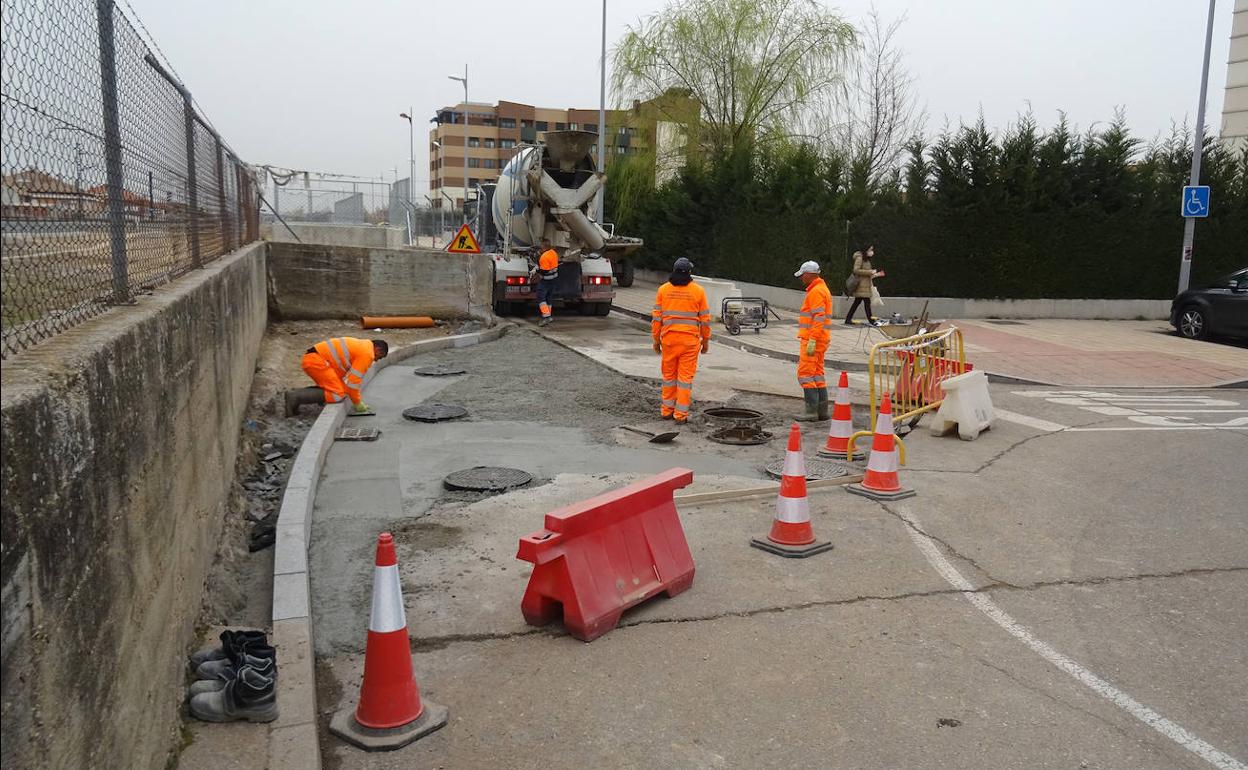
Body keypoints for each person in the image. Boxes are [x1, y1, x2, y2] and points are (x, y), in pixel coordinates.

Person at [651, 257, 711, 423]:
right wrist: (705, 341)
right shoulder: (698, 291)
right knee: (684, 380)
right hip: (689, 343)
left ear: (673, 271)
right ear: (690, 272)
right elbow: (705, 320)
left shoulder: (663, 290)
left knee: (669, 378)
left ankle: (666, 411)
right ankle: (680, 415)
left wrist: (656, 340)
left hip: (669, 341)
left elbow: (657, 319)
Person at [284, 337, 389, 416]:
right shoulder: (368, 354)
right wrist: (357, 403)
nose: (376, 360)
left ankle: (298, 396)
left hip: (316, 359)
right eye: (379, 357)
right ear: (378, 349)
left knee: (341, 389)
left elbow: (349, 381)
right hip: (317, 362)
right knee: (338, 394)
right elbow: (353, 381)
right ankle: (294, 396)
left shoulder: (363, 345)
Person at [794, 260, 833, 421]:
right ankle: (822, 411)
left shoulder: (816, 291)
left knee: (805, 374)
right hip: (821, 339)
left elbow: (818, 316)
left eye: (803, 275)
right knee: (817, 374)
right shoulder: (822, 289)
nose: (801, 278)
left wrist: (812, 339)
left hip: (813, 339)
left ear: (810, 274)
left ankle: (811, 412)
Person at [845, 245, 883, 325]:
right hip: (861, 285)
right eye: (870, 250)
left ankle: (848, 319)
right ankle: (871, 321)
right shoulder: (860, 258)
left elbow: (865, 272)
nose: (872, 252)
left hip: (865, 285)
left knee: (857, 303)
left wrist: (874, 274)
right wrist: (870, 272)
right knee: (866, 303)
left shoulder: (866, 259)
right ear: (866, 250)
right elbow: (856, 270)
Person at [533, 238, 559, 326]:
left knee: (541, 298)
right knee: (549, 298)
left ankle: (546, 317)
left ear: (543, 247)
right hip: (553, 279)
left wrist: (536, 271)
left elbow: (544, 271)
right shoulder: (553, 253)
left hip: (546, 280)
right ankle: (549, 316)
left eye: (540, 246)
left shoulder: (544, 257)